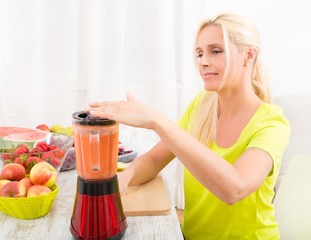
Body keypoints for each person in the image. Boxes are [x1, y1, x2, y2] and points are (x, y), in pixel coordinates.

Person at [89, 12, 290, 239]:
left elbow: (235, 188)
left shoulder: (271, 123)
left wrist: (157, 120)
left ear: (248, 55)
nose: (203, 61)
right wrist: (120, 182)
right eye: (199, 53)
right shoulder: (201, 106)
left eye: (216, 51)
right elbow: (155, 159)